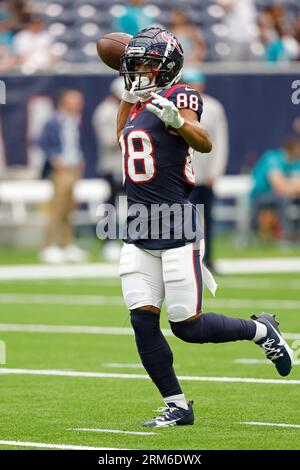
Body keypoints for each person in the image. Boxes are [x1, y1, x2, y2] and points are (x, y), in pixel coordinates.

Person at [117, 26, 293, 428]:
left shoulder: (180, 95)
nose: (138, 72)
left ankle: (261, 331)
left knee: (188, 327)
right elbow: (120, 140)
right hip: (138, 229)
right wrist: (128, 100)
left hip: (176, 225)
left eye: (146, 64)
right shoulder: (137, 106)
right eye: (134, 65)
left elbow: (205, 141)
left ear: (168, 68)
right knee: (142, 320)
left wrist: (177, 120)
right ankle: (177, 405)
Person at [183, 68, 229, 271]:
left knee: (207, 219)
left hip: (205, 174)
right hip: (185, 174)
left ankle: (208, 258)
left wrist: (216, 171)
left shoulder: (213, 107)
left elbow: (220, 140)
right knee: (185, 219)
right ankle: (186, 258)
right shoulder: (177, 106)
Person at [38, 89, 87, 264]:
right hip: (61, 171)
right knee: (56, 209)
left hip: (73, 169)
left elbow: (74, 144)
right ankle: (48, 245)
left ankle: (66, 244)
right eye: (74, 101)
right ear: (64, 102)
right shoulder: (54, 120)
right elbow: (42, 141)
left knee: (68, 209)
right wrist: (55, 158)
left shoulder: (74, 121)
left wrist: (80, 159)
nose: (78, 105)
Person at [92, 77, 125, 261]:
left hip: (127, 165)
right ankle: (108, 241)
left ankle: (133, 239)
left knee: (135, 204)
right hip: (112, 165)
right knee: (110, 205)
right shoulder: (105, 112)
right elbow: (109, 140)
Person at [251, 135, 300, 241]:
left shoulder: (296, 162)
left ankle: (296, 234)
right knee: (283, 199)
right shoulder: (273, 158)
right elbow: (279, 186)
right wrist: (291, 187)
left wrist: (289, 187)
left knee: (286, 198)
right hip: (260, 196)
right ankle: (286, 237)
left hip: (282, 196)